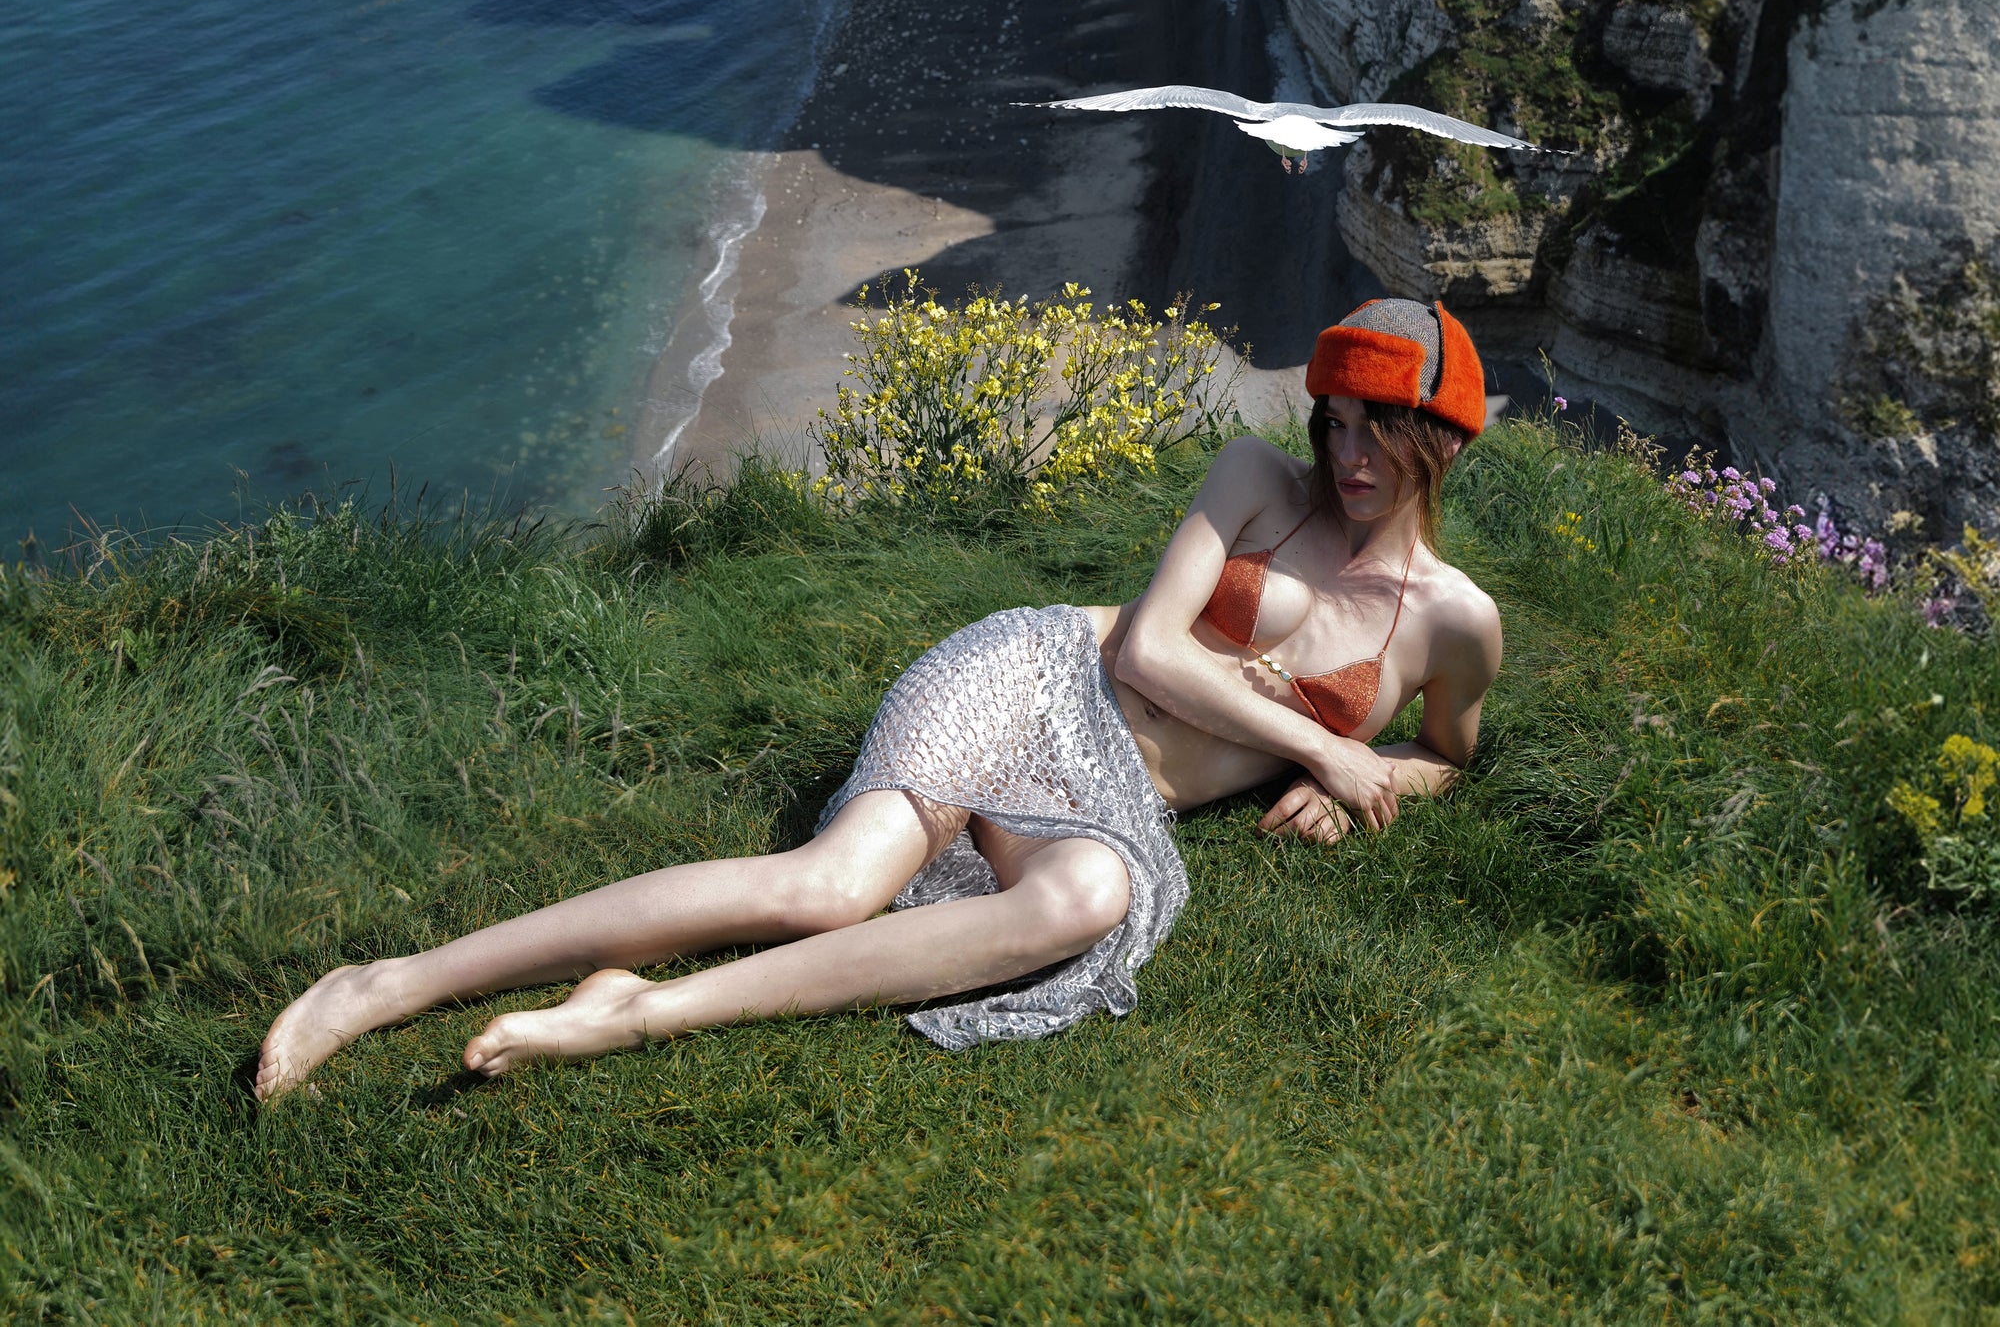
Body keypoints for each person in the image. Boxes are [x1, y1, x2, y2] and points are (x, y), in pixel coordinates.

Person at [255, 297, 1502, 1095]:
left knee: (1092, 891)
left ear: (1437, 443)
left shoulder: (1455, 621)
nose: (1344, 456)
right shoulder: (1253, 475)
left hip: (1107, 796)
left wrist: (1365, 778)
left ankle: (645, 1010)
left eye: (1377, 434)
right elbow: (1148, 654)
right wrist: (1323, 750)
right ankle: (392, 980)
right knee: (825, 883)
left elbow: (1452, 754)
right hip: (1033, 677)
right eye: (1334, 421)